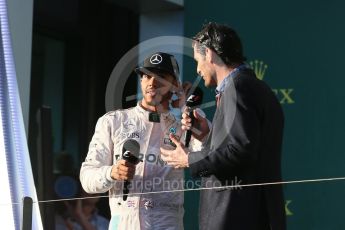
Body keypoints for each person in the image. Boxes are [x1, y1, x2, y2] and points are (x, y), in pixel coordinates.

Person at [161, 22, 286, 230]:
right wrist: (207, 135)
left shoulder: (237, 88)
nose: (198, 70)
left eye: (197, 61)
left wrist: (189, 159)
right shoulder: (255, 87)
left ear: (209, 54)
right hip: (252, 214)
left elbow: (241, 150)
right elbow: (246, 145)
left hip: (237, 216)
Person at [80, 52, 202, 229]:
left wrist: (187, 107)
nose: (152, 83)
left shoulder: (184, 127)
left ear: (175, 84)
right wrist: (112, 172)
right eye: (146, 76)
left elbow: (208, 153)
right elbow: (87, 178)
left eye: (161, 77)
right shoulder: (113, 121)